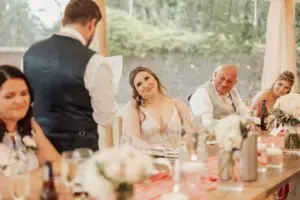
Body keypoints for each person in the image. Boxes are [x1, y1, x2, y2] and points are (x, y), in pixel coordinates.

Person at [22, 0, 118, 153]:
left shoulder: (30, 54)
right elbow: (106, 117)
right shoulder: (95, 61)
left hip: (37, 148)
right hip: (79, 153)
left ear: (63, 22)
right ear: (92, 24)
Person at [0, 65, 60, 176]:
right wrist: (39, 175)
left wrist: (27, 178)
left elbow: (58, 164)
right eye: (9, 96)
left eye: (24, 93)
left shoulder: (30, 126)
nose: (20, 101)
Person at [122, 66, 192, 148]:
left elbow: (191, 132)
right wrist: (155, 152)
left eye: (147, 78)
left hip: (176, 155)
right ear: (137, 91)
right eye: (139, 84)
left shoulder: (177, 105)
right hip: (148, 156)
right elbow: (135, 140)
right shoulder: (133, 109)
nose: (145, 85)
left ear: (155, 79)